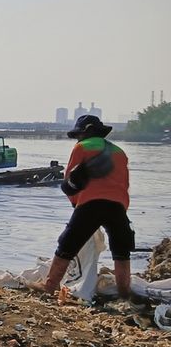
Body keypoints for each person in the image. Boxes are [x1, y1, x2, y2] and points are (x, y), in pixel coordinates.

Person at [28, 115, 133, 298]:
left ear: (86, 132)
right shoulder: (120, 152)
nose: (78, 138)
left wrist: (76, 205)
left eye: (79, 135)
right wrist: (120, 210)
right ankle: (124, 292)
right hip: (117, 206)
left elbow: (70, 181)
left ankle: (49, 286)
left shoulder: (82, 147)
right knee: (121, 250)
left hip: (90, 204)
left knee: (66, 245)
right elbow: (124, 185)